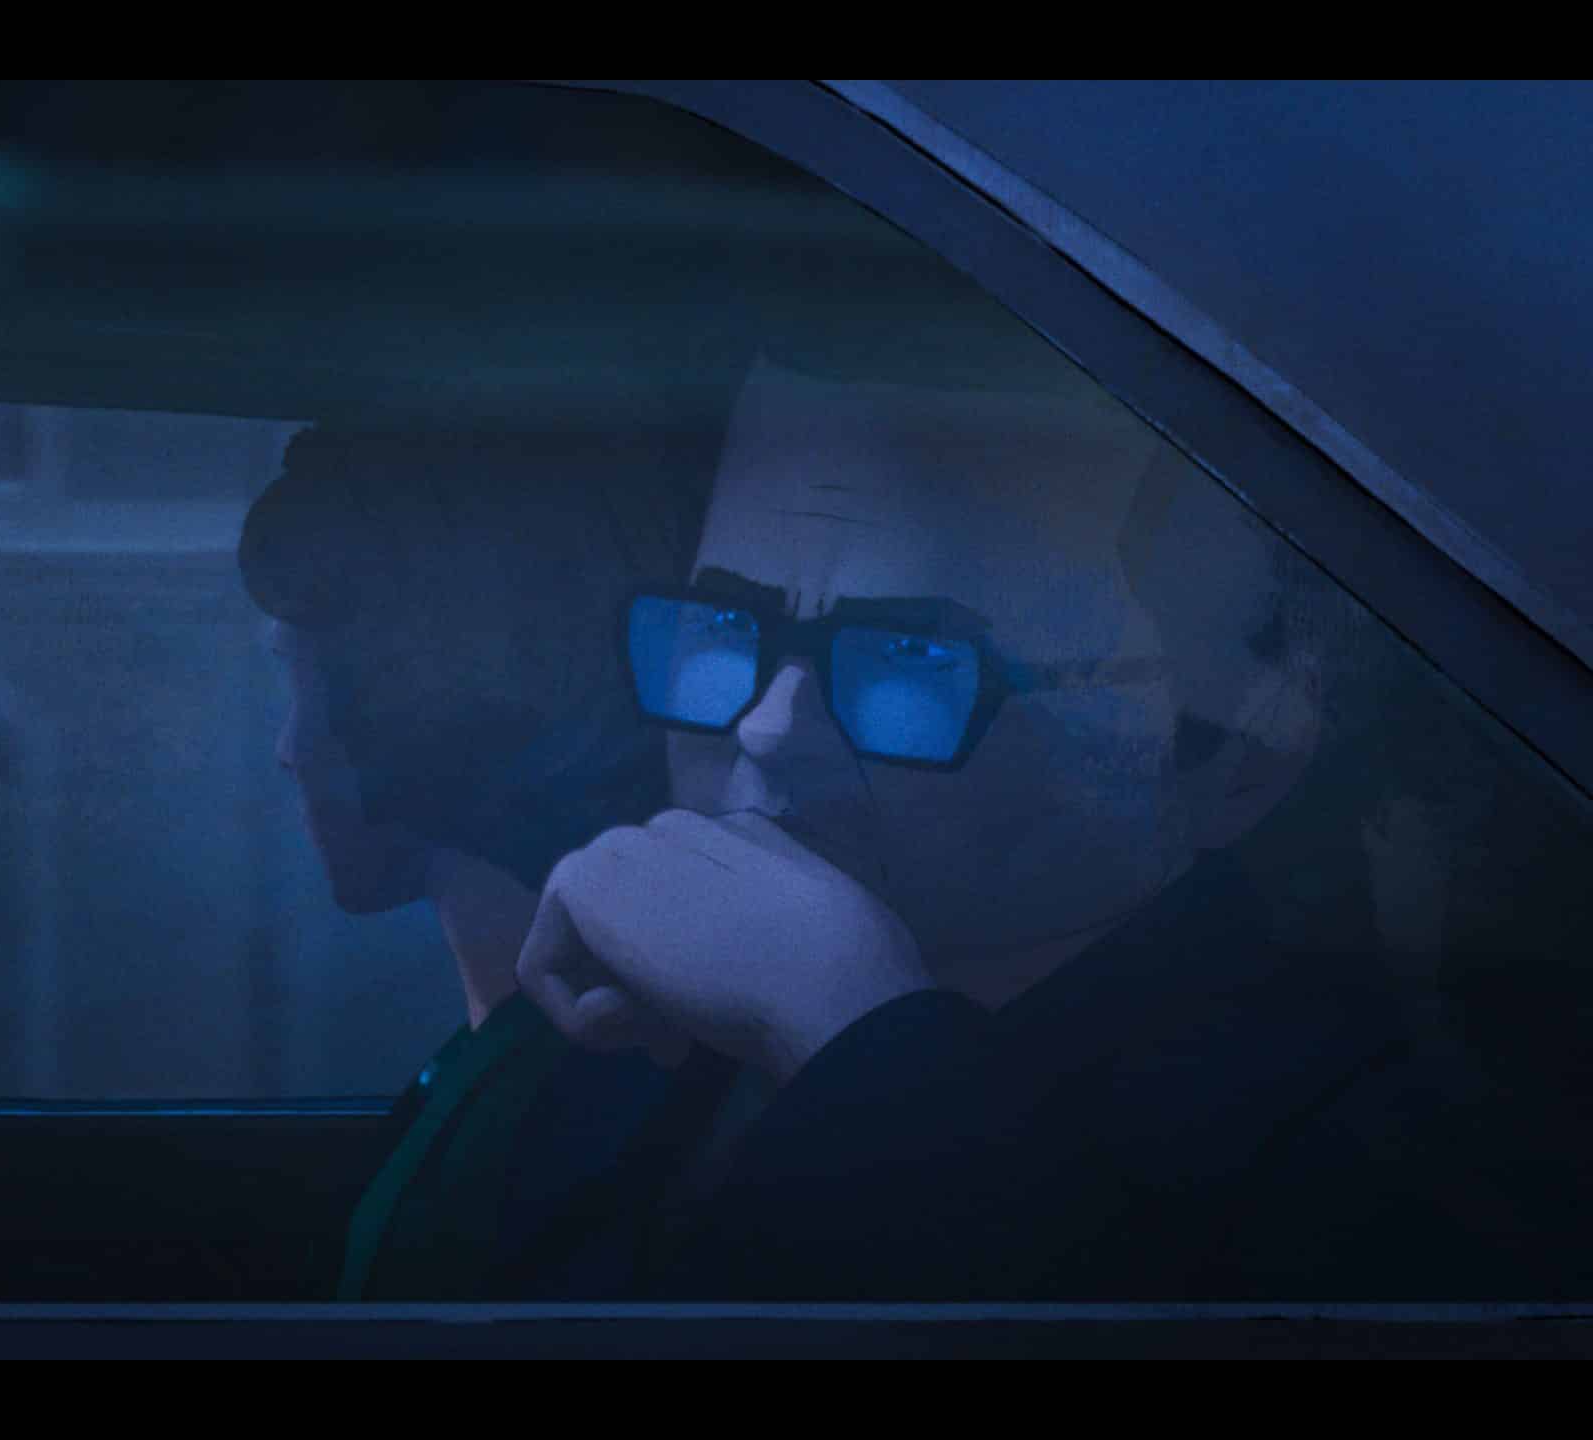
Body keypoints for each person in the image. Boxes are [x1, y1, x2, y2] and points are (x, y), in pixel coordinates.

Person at [518, 343, 1593, 1300]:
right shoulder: (622, 1024)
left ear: (1234, 759)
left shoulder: (1377, 1173)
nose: (764, 725)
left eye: (911, 660)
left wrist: (862, 1036)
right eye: (721, 628)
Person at [239, 412, 753, 1300]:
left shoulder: (560, 1106)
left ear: (415, 709)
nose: (288, 750)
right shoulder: (533, 1061)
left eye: (305, 684)